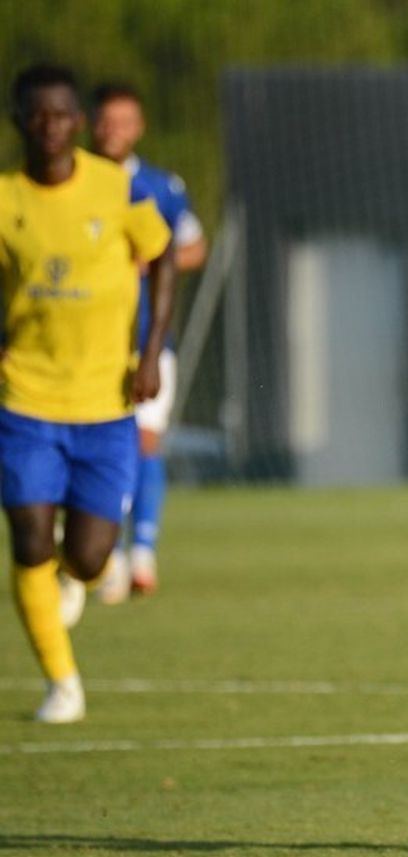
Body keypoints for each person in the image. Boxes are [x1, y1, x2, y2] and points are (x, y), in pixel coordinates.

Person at [0, 64, 174, 723]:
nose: (50, 127)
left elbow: (160, 258)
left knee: (91, 554)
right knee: (29, 540)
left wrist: (152, 351)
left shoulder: (116, 186)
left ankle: (79, 576)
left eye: (61, 115)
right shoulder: (6, 197)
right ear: (21, 121)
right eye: (37, 115)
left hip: (106, 402)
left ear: (77, 121)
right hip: (25, 400)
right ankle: (61, 680)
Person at [89, 81, 208, 602]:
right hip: (88, 346)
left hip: (150, 342)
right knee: (102, 447)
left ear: (139, 128)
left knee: (144, 442)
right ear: (91, 123)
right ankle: (104, 554)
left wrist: (150, 259)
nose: (115, 129)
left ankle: (141, 551)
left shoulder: (160, 187)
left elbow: (193, 248)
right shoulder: (73, 182)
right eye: (106, 120)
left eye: (125, 121)